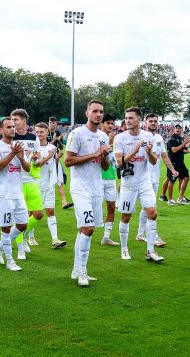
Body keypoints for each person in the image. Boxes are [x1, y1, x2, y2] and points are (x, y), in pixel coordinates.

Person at [65, 99, 111, 287]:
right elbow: (68, 161)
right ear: (87, 113)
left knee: (85, 229)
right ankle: (82, 271)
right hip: (80, 187)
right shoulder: (77, 134)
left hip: (96, 187)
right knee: (89, 227)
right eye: (95, 111)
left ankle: (76, 270)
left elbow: (105, 166)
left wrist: (105, 155)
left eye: (101, 111)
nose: (98, 114)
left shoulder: (104, 136)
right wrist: (95, 154)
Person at [114, 107, 164, 263]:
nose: (127, 120)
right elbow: (119, 162)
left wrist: (148, 152)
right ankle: (124, 249)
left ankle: (150, 251)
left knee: (152, 213)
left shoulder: (148, 136)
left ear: (138, 120)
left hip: (144, 182)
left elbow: (154, 161)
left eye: (131, 118)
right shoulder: (120, 138)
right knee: (126, 216)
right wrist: (136, 150)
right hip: (128, 183)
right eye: (126, 118)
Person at [0, 117, 31, 271]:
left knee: (22, 224)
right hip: (3, 193)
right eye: (8, 127)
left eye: (13, 126)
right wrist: (13, 154)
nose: (12, 129)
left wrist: (20, 156)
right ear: (0, 130)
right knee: (6, 227)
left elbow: (27, 169)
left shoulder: (18, 147)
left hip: (17, 192)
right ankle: (10, 261)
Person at [136, 113, 178, 247]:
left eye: (155, 121)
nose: (153, 123)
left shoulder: (159, 138)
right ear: (145, 122)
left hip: (154, 178)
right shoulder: (140, 136)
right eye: (151, 121)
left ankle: (141, 234)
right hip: (142, 178)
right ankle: (152, 235)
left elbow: (164, 156)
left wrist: (172, 169)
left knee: (146, 208)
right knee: (149, 208)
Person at [10, 109, 43, 257]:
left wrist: (36, 158)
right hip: (16, 181)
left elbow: (37, 155)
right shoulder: (10, 137)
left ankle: (22, 236)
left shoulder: (33, 138)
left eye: (16, 119)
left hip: (31, 180)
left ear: (24, 121)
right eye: (12, 119)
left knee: (38, 214)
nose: (13, 122)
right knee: (18, 217)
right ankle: (20, 248)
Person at [33, 122, 67, 249]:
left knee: (50, 211)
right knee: (34, 213)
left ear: (47, 132)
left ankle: (55, 239)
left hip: (49, 184)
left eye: (41, 132)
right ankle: (30, 237)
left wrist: (57, 158)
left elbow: (53, 166)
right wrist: (50, 156)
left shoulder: (51, 148)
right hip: (36, 185)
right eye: (37, 132)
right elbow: (37, 165)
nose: (39, 134)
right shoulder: (34, 148)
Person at [99, 113, 120, 246]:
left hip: (111, 177)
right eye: (108, 123)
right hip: (98, 177)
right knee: (95, 208)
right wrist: (109, 142)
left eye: (112, 123)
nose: (110, 126)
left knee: (111, 206)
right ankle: (84, 233)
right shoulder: (97, 138)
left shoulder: (116, 139)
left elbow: (115, 162)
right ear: (102, 124)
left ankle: (106, 237)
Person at [48, 116, 73, 209]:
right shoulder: (44, 132)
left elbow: (62, 148)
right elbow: (45, 147)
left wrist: (58, 141)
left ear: (56, 124)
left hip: (56, 158)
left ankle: (64, 202)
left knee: (60, 180)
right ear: (48, 123)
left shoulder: (58, 133)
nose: (52, 124)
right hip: (46, 160)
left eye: (54, 123)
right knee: (46, 180)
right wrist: (54, 140)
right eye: (50, 122)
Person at [166, 124, 190, 205]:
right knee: (172, 181)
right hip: (173, 163)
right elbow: (174, 150)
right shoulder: (172, 139)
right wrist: (184, 143)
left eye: (179, 128)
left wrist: (187, 150)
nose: (177, 129)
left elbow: (181, 150)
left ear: (182, 129)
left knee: (186, 177)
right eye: (176, 128)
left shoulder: (180, 138)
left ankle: (180, 198)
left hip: (181, 162)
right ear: (174, 129)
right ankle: (170, 200)